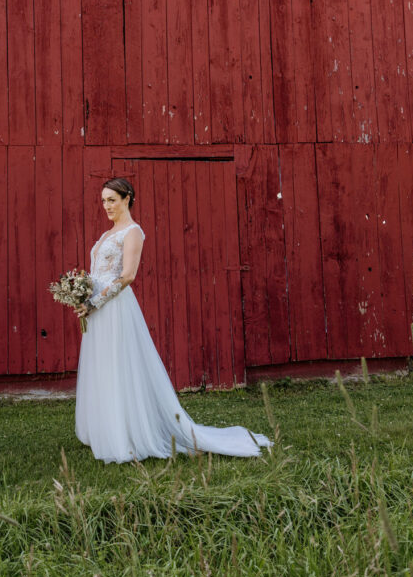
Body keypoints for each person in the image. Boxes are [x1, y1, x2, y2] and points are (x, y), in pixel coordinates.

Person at [72, 178, 271, 463]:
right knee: (101, 366)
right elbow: (97, 271)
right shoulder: (107, 233)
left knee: (118, 366)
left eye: (112, 200)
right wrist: (81, 292)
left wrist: (95, 301)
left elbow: (127, 275)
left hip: (113, 307)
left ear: (127, 198)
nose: (106, 206)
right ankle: (103, 428)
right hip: (97, 309)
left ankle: (125, 434)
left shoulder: (132, 232)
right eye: (103, 200)